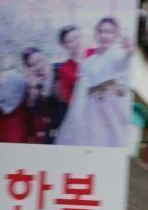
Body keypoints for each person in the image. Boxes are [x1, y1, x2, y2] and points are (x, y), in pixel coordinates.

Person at [57, 16, 133, 147]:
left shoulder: (118, 54)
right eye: (102, 31)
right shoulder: (87, 62)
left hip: (113, 109)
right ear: (96, 33)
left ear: (116, 34)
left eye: (109, 32)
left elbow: (122, 64)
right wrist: (74, 119)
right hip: (91, 112)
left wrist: (129, 53)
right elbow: (78, 95)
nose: (105, 36)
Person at [49, 24, 83, 136]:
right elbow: (69, 98)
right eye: (70, 41)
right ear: (64, 45)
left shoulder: (94, 54)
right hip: (81, 112)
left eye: (77, 37)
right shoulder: (65, 68)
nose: (76, 42)